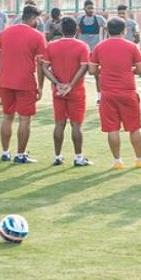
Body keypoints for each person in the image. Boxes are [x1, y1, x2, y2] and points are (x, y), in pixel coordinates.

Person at [89, 16, 141, 169]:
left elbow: (92, 70)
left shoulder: (99, 47)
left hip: (108, 93)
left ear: (107, 30)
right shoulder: (132, 47)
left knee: (112, 129)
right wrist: (128, 70)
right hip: (128, 91)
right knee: (134, 127)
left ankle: (117, 161)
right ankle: (139, 159)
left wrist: (105, 69)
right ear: (125, 30)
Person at [0, 5, 47, 163]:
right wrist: (40, 86)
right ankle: (20, 154)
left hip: (6, 81)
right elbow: (40, 63)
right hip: (25, 82)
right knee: (25, 119)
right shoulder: (37, 36)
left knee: (7, 117)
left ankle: (5, 153)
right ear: (33, 18)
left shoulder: (5, 33)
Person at [41, 17, 92, 167]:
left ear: (61, 30)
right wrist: (70, 85)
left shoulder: (51, 46)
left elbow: (44, 67)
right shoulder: (82, 46)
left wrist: (57, 84)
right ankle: (78, 157)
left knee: (59, 124)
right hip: (76, 91)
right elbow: (84, 67)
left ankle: (57, 156)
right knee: (76, 125)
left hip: (58, 91)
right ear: (76, 29)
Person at [76, 0, 107, 103]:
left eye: (93, 8)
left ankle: (100, 97)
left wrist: (105, 41)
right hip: (83, 52)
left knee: (97, 75)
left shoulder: (99, 19)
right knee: (78, 74)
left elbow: (107, 29)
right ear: (84, 8)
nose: (91, 10)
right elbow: (77, 32)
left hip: (95, 51)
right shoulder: (80, 19)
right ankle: (77, 95)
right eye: (89, 8)